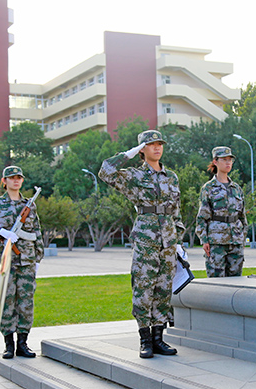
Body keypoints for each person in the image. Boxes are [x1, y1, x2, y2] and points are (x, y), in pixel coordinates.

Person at [99, 129, 183, 359]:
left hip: (168, 239)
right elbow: (105, 171)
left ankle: (158, 338)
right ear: (142, 149)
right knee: (144, 288)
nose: (157, 147)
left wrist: (179, 239)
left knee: (164, 289)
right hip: (146, 238)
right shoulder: (134, 176)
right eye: (151, 144)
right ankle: (144, 339)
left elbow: (176, 210)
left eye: (160, 144)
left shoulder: (172, 177)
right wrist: (127, 154)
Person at [0, 166, 44, 359]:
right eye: (11, 178)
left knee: (26, 302)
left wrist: (38, 257)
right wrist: (0, 232)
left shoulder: (29, 204)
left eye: (18, 178)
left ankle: (23, 343)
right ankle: (8, 345)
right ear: (4, 181)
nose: (15, 181)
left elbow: (37, 232)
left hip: (27, 260)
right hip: (5, 260)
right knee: (6, 301)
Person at [195, 146, 247, 277]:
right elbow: (202, 217)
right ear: (215, 162)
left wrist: (242, 237)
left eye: (230, 160)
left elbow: (242, 218)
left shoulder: (236, 189)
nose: (228, 162)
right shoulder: (208, 188)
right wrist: (204, 240)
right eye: (224, 159)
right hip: (216, 242)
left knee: (236, 282)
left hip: (236, 242)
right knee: (216, 283)